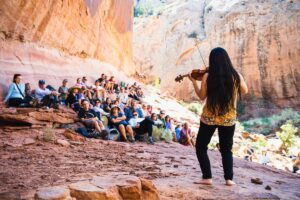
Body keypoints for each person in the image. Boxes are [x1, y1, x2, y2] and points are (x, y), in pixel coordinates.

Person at [189, 47, 248, 186]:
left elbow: (201, 96)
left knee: (201, 147)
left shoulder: (208, 76)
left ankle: (207, 177)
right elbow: (245, 90)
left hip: (209, 118)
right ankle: (229, 179)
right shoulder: (236, 76)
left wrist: (193, 82)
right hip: (228, 119)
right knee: (226, 149)